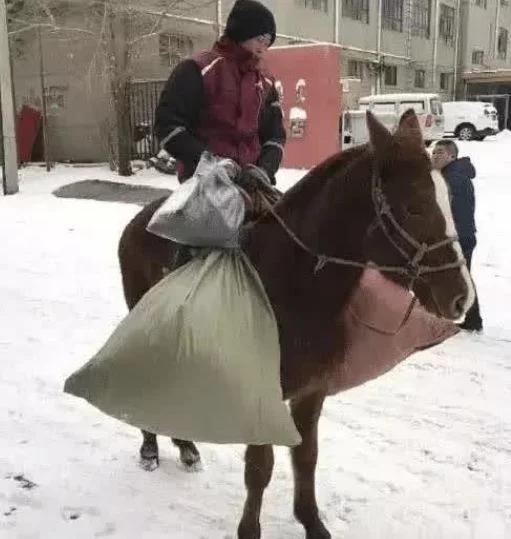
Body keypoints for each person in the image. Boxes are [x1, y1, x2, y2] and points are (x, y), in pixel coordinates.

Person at [154, 0, 286, 190]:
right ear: (242, 33)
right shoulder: (196, 70)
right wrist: (210, 163)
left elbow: (275, 135)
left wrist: (264, 170)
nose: (263, 48)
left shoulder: (266, 83)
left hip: (251, 186)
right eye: (260, 39)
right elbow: (168, 125)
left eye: (268, 42)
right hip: (203, 187)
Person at [432, 140, 483, 332]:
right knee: (461, 278)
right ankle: (471, 319)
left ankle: (468, 319)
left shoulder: (453, 178)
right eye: (434, 152)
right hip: (461, 236)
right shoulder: (450, 175)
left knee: (453, 279)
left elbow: (452, 212)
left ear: (451, 156)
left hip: (458, 238)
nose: (434, 155)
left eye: (440, 153)